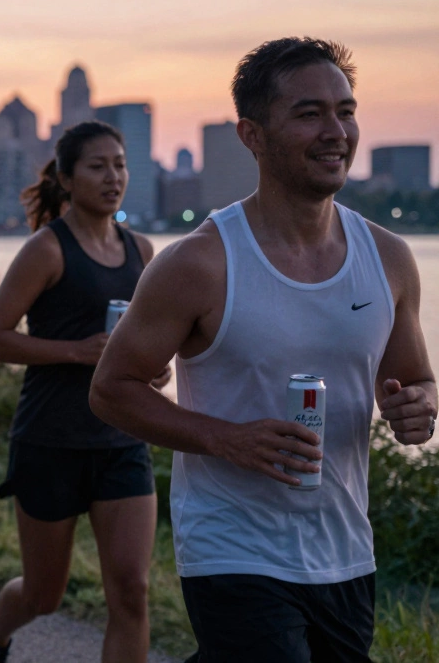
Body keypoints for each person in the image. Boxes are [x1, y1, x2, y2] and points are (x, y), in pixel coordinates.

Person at [90, 38, 437, 662]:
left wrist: (417, 410)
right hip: (232, 546)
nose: (336, 132)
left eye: (346, 111)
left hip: (344, 550)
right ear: (252, 134)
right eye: (309, 114)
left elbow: (416, 384)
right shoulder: (198, 263)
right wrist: (225, 438)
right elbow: (111, 391)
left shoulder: (388, 258)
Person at [0, 121, 167, 663]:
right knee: (43, 595)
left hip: (122, 442)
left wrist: (152, 369)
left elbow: (148, 344)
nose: (113, 177)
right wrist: (77, 351)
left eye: (120, 164)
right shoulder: (46, 250)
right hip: (50, 440)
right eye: (98, 166)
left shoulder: (142, 252)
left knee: (131, 592)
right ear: (66, 176)